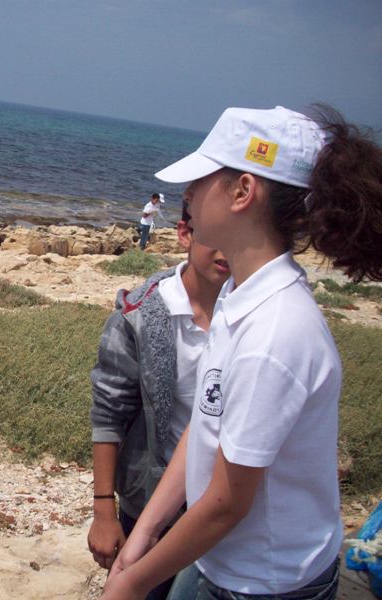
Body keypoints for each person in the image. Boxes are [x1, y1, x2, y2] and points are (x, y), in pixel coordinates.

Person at [100, 105, 382, 600]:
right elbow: (205, 423)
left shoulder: (274, 333)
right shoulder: (238, 294)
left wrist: (132, 584)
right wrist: (145, 529)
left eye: (201, 180)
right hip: (222, 558)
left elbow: (227, 504)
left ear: (243, 192)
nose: (188, 195)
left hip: (263, 582)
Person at [89, 202, 230, 599]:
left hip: (224, 500)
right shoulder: (140, 314)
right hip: (151, 498)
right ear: (185, 234)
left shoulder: (250, 314)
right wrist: (103, 510)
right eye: (214, 237)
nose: (226, 252)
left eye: (236, 237)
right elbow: (108, 412)